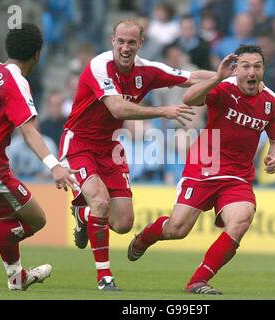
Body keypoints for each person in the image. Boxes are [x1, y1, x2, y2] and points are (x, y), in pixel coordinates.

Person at [59, 18, 216, 291]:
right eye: (120, 41)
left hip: (110, 147)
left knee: (122, 223)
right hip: (79, 143)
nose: (125, 47)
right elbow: (117, 109)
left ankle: (82, 215)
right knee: (100, 201)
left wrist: (226, 77)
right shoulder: (99, 65)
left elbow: (190, 78)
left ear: (141, 43)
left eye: (131, 42)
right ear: (112, 41)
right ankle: (104, 277)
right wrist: (161, 111)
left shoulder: (149, 70)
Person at [127, 45, 275, 294]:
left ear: (263, 69)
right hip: (204, 165)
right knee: (177, 229)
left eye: (257, 66)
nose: (252, 72)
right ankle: (146, 237)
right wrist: (217, 77)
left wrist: (274, 158)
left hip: (238, 176)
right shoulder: (224, 87)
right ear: (236, 69)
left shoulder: (272, 102)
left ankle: (198, 281)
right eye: (245, 66)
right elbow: (189, 98)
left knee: (242, 219)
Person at [0, 23, 78, 291]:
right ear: (37, 54)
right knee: (36, 220)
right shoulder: (15, 80)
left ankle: (16, 277)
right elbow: (28, 130)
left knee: (6, 220)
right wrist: (54, 165)